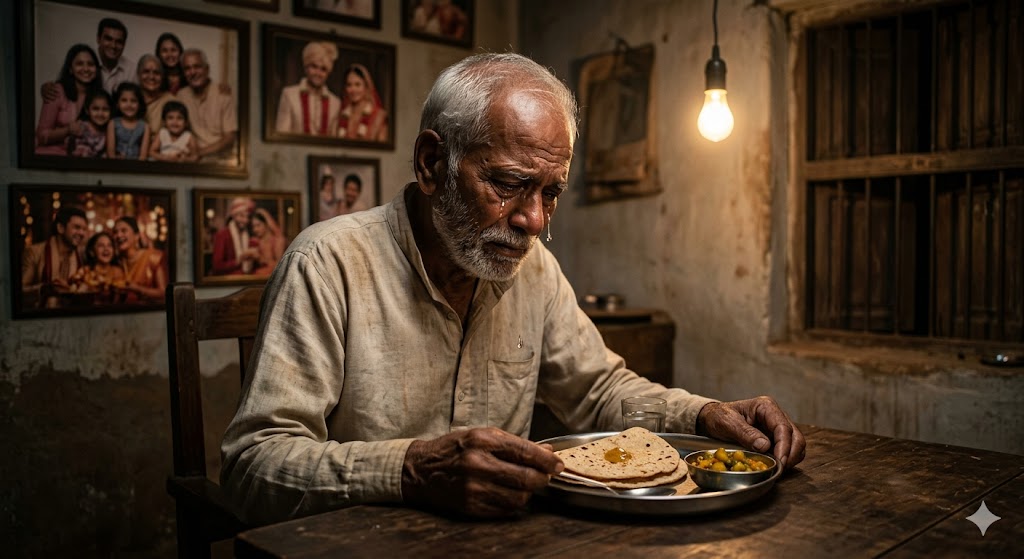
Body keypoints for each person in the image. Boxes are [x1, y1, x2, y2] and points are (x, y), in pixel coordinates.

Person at [220, 53, 805, 525]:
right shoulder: (327, 263)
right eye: (508, 183)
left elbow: (598, 391)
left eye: (550, 192)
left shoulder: (534, 271)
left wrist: (703, 415)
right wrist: (410, 469)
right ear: (431, 163)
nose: (534, 221)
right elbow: (252, 466)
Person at [35, 44, 103, 156]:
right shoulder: (56, 91)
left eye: (90, 64)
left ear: (96, 70)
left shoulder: (99, 97)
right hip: (51, 155)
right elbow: (41, 136)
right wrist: (67, 130)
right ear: (71, 69)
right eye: (79, 64)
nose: (86, 69)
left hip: (82, 158)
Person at [177, 48, 238, 162]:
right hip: (192, 160)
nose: (193, 72)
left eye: (197, 66)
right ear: (184, 73)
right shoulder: (181, 96)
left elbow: (230, 137)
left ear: (207, 69)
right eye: (187, 69)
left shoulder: (223, 93)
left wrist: (200, 153)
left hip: (221, 159)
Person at [22, 206, 89, 307]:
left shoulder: (82, 257)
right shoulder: (34, 252)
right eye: (77, 227)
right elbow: (18, 293)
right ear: (60, 228)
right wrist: (45, 289)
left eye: (84, 229)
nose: (82, 233)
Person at [275, 41, 341, 136]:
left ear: (328, 73)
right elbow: (281, 134)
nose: (318, 73)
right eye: (314, 67)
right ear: (306, 67)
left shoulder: (335, 103)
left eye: (323, 69)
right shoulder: (289, 94)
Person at [112, 216, 167, 303]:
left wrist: (137, 289)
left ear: (136, 236)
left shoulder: (152, 257)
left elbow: (163, 293)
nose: (118, 235)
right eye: (115, 232)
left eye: (123, 230)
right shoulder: (117, 262)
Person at [67, 231, 127, 301]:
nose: (106, 249)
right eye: (101, 245)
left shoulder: (117, 271)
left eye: (109, 245)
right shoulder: (85, 271)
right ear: (91, 252)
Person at [336, 63, 388, 142]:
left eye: (357, 84)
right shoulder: (340, 116)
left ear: (366, 87)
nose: (353, 90)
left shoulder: (379, 116)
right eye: (349, 85)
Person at [211, 197, 259, 275]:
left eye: (247, 217)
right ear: (234, 215)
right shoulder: (222, 235)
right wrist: (238, 261)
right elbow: (217, 266)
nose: (245, 220)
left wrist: (257, 257)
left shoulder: (250, 235)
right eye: (241, 216)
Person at [107, 82, 149, 160]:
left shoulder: (144, 126)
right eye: (124, 100)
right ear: (117, 103)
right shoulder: (113, 123)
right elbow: (110, 154)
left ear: (139, 104)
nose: (129, 105)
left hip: (137, 167)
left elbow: (143, 156)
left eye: (133, 101)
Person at [137, 54, 175, 139]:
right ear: (138, 74)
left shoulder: (170, 101)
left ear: (162, 77)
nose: (151, 77)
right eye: (146, 72)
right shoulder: (130, 99)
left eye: (156, 73)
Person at [68, 89, 112, 158]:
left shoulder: (109, 131)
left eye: (105, 109)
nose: (100, 114)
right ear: (87, 110)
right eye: (95, 109)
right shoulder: (80, 127)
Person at [250, 208, 287, 276]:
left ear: (267, 224)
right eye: (253, 227)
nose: (255, 229)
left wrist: (261, 258)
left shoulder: (277, 241)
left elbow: (279, 266)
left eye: (258, 225)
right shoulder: (255, 241)